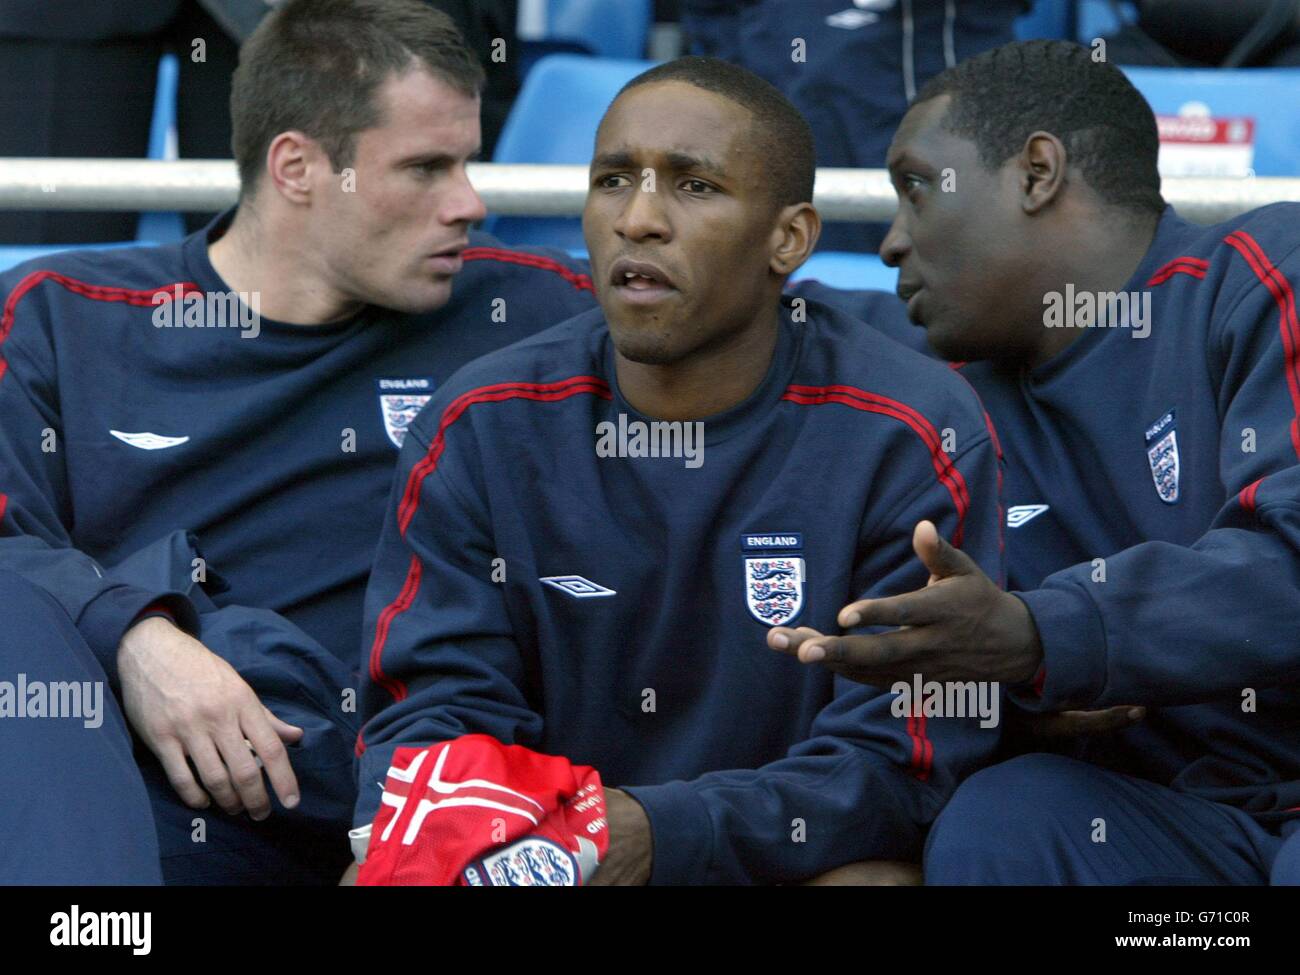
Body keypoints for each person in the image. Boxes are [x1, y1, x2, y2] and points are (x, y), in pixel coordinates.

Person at [351, 55, 1004, 885]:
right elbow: (434, 711)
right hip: (551, 856)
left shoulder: (908, 430)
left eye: (693, 186)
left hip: (780, 862)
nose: (640, 219)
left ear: (789, 238)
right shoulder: (481, 421)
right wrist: (539, 838)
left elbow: (902, 762)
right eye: (614, 179)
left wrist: (665, 832)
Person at [0, 0, 595, 884]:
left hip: (419, 815)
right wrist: (133, 635)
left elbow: (781, 320)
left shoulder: (536, 312)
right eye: (426, 168)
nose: (470, 204)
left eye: (468, 163)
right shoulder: (62, 316)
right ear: (298, 168)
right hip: (138, 801)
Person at [777, 39, 1300, 884]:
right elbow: (747, 318)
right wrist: (1012, 697)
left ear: (1037, 172)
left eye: (916, 188)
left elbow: (1292, 566)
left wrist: (1038, 635)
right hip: (1185, 831)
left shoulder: (1263, 273)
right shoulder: (932, 395)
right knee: (1007, 822)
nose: (891, 242)